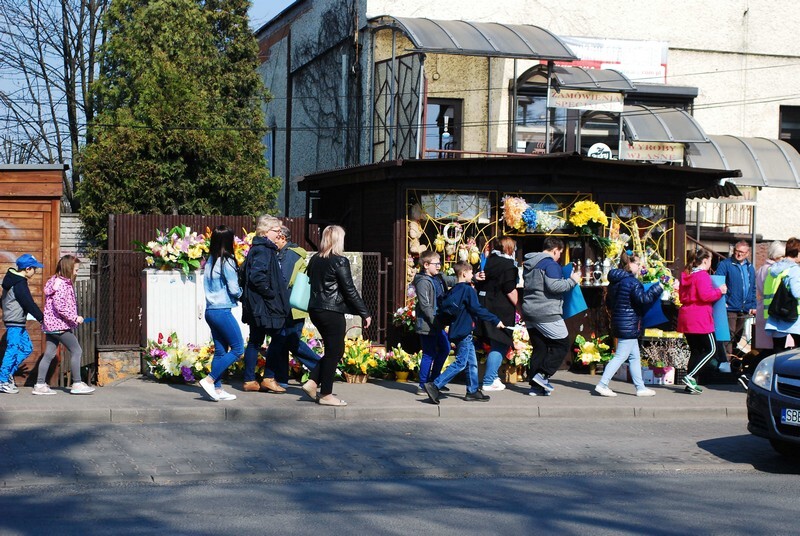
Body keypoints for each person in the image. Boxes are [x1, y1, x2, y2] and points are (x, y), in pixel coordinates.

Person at [304, 225, 371, 406]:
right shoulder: (340, 261)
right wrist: (365, 313)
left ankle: (312, 382)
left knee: (334, 350)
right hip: (332, 310)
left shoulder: (315, 259)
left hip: (316, 309)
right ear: (337, 240)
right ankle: (326, 394)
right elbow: (349, 290)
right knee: (335, 351)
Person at [424, 261, 504, 404]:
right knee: (461, 363)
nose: (472, 275)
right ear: (464, 273)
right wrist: (495, 320)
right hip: (464, 331)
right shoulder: (468, 290)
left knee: (471, 362)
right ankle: (435, 385)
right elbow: (477, 309)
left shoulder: (454, 289)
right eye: (471, 273)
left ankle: (472, 390)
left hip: (457, 330)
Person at [594, 252, 662, 397]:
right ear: (630, 264)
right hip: (629, 323)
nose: (640, 266)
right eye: (637, 263)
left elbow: (610, 303)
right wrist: (659, 287)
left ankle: (640, 387)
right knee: (620, 356)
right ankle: (602, 384)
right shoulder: (632, 282)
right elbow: (644, 299)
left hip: (620, 322)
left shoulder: (615, 282)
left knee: (634, 357)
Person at [261, 225, 321, 387]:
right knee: (282, 341)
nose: (272, 241)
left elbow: (284, 280)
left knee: (290, 341)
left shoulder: (290, 255)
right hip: (290, 307)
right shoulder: (286, 253)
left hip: (291, 308)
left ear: (282, 238)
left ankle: (320, 367)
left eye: (275, 237)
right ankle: (280, 379)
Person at [521, 237, 581, 396]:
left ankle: (535, 387)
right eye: (559, 253)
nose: (559, 257)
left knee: (540, 348)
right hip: (546, 311)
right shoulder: (550, 264)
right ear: (555, 250)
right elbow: (554, 287)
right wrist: (572, 281)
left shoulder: (530, 263)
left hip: (529, 310)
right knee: (562, 344)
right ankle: (543, 375)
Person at [241, 215, 291, 394]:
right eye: (276, 231)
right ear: (265, 231)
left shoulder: (259, 248)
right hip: (265, 306)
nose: (279, 235)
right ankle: (268, 378)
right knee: (279, 337)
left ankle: (249, 380)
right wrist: (272, 295)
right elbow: (257, 277)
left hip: (258, 305)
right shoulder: (263, 250)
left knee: (255, 341)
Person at [197, 226, 245, 402]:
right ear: (229, 241)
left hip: (211, 310)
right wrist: (243, 295)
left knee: (220, 351)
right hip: (222, 311)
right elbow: (233, 288)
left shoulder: (210, 260)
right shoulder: (227, 261)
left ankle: (216, 389)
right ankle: (210, 380)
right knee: (238, 348)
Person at [34, 255, 94, 395]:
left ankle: (40, 384)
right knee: (76, 350)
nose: (76, 273)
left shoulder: (54, 282)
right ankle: (77, 383)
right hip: (60, 325)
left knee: (49, 354)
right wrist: (75, 317)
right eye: (76, 270)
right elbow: (60, 306)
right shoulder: (62, 285)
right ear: (68, 268)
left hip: (51, 326)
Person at [677, 248, 727, 394]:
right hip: (700, 317)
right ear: (705, 261)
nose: (711, 263)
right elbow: (705, 296)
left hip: (687, 316)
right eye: (710, 260)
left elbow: (682, 297)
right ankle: (691, 376)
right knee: (712, 349)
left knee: (696, 351)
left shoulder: (687, 275)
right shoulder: (703, 276)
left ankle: (690, 383)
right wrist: (720, 291)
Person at [477, 236, 519, 392]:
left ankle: (493, 376)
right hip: (501, 308)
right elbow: (509, 288)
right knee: (500, 343)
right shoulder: (508, 265)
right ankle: (488, 380)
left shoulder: (489, 261)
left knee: (495, 342)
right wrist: (519, 305)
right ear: (508, 248)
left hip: (486, 305)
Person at [0, 254, 45, 394]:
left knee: (27, 348)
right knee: (12, 349)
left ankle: (7, 374)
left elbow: (6, 301)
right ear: (28, 268)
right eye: (35, 269)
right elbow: (28, 303)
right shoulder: (19, 282)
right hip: (14, 322)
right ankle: (2, 380)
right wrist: (42, 318)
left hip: (17, 321)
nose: (35, 271)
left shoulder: (14, 280)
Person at [412, 249, 454, 396]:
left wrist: (470, 277)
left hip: (438, 322)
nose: (439, 266)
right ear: (426, 265)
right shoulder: (423, 281)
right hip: (428, 323)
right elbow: (425, 305)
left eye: (439, 263)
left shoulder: (438, 277)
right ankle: (423, 385)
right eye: (436, 264)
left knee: (445, 349)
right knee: (429, 353)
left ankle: (435, 381)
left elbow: (452, 280)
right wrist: (435, 321)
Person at [745, 240, 785, 387]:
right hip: (773, 313)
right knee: (774, 351)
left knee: (768, 350)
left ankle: (749, 374)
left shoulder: (761, 269)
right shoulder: (774, 270)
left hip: (763, 309)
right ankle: (749, 374)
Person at [715, 240, 757, 358]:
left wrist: (753, 305)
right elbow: (718, 282)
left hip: (744, 308)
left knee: (737, 336)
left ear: (747, 253)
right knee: (729, 335)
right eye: (737, 251)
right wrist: (722, 301)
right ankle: (726, 363)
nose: (739, 254)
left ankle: (731, 360)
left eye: (742, 252)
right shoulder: (725, 264)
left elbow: (752, 287)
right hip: (729, 307)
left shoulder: (750, 268)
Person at [764, 237, 800, 353]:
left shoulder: (773, 269)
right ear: (798, 253)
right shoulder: (794, 270)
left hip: (775, 314)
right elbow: (796, 292)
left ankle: (776, 371)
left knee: (777, 351)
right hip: (792, 315)